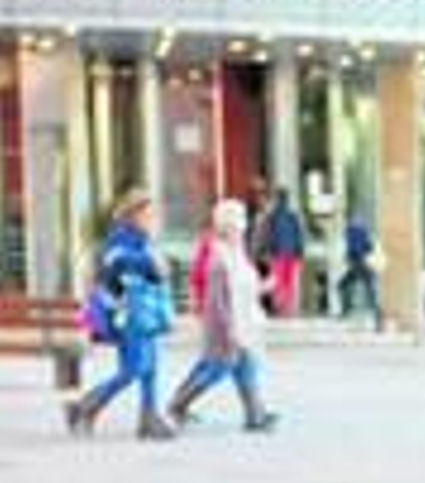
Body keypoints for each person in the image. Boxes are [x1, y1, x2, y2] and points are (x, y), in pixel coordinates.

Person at [65, 187, 177, 440]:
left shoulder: (144, 241)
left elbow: (160, 271)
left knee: (151, 368)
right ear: (133, 215)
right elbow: (117, 265)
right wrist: (149, 263)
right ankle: (83, 407)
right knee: (132, 369)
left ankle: (149, 419)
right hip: (127, 315)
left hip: (146, 313)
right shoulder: (119, 239)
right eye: (148, 214)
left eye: (154, 214)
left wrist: (153, 264)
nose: (153, 219)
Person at [166, 198, 279, 433]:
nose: (243, 226)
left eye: (243, 221)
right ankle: (178, 405)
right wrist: (229, 329)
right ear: (227, 226)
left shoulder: (237, 252)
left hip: (244, 321)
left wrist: (264, 287)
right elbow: (216, 300)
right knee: (218, 369)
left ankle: (255, 415)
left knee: (246, 367)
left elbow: (245, 286)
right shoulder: (219, 256)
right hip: (227, 325)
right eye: (239, 222)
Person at [255, 186, 305, 318]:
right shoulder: (291, 215)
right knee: (287, 282)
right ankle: (287, 308)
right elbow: (299, 234)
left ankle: (282, 307)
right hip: (289, 253)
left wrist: (264, 250)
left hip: (279, 253)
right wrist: (300, 252)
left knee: (279, 281)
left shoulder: (272, 216)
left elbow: (267, 235)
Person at [338, 214, 384, 329]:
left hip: (359, 264)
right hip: (365, 264)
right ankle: (378, 319)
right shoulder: (364, 230)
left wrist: (350, 257)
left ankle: (346, 310)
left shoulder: (350, 231)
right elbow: (370, 247)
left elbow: (355, 248)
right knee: (370, 292)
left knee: (342, 286)